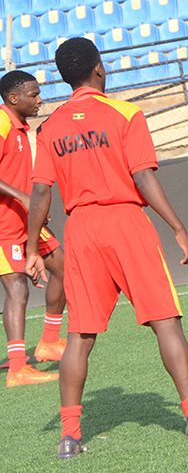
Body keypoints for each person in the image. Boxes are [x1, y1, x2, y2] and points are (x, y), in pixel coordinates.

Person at [23, 38, 188, 459]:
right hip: (125, 223)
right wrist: (178, 227)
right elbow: (142, 178)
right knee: (165, 321)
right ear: (99, 69)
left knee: (79, 338)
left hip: (81, 230)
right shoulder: (125, 113)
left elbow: (40, 191)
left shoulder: (50, 127)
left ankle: (69, 437)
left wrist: (32, 248)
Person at [0, 70, 67, 387]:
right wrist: (23, 196)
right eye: (34, 94)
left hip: (27, 222)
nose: (40, 99)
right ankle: (17, 369)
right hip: (4, 226)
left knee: (65, 268)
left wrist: (33, 206)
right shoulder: (1, 123)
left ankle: (49, 342)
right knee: (17, 289)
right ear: (14, 98)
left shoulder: (21, 128)